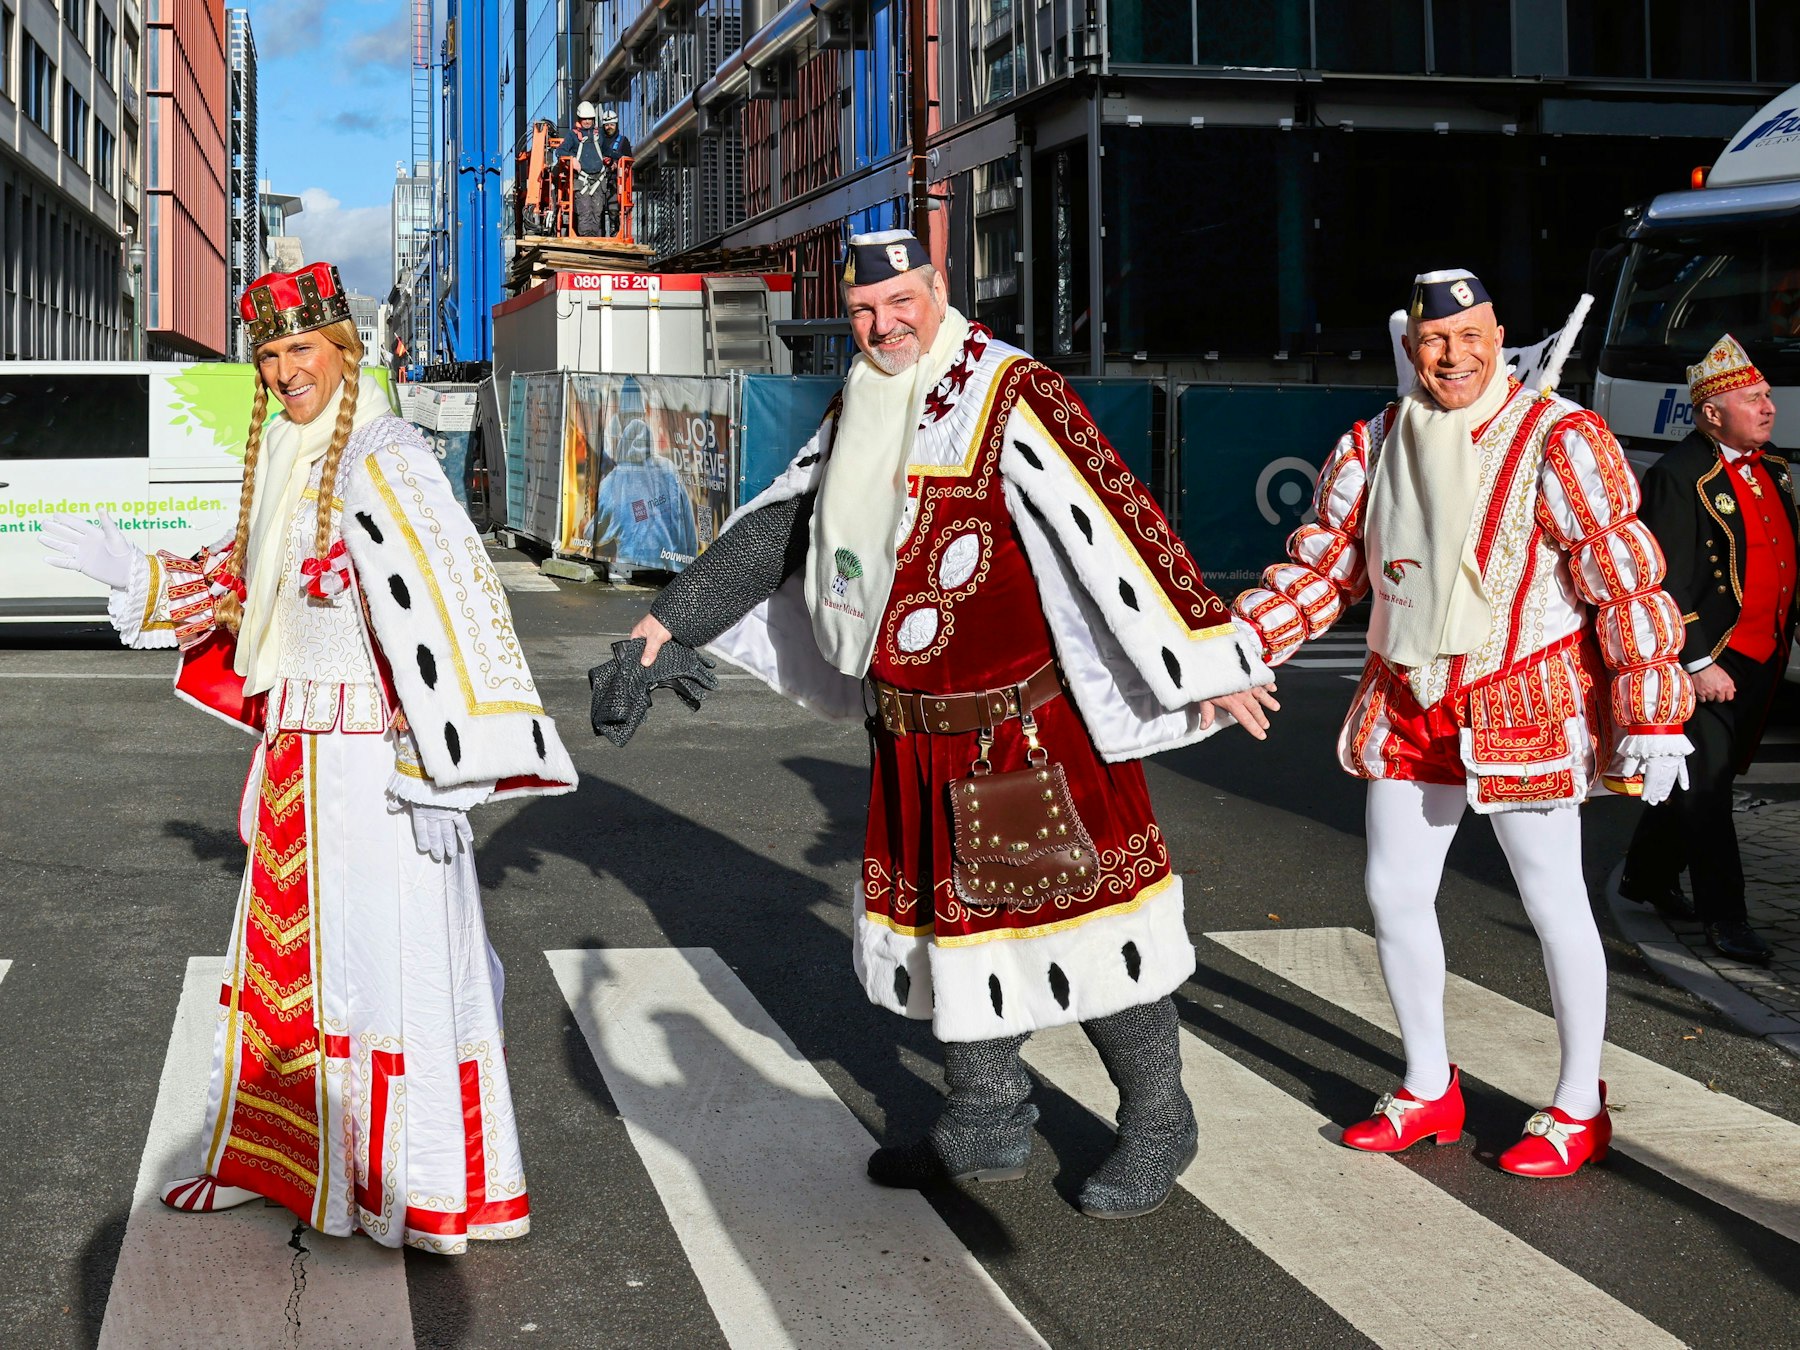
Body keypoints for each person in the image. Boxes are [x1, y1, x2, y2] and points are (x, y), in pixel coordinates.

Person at [590, 228, 1278, 1218]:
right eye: (865, 311)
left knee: (1086, 932)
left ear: (938, 289)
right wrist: (663, 627)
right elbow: (780, 531)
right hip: (912, 736)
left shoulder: (1008, 389)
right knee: (944, 931)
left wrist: (1207, 656)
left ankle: (1161, 1121)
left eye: (901, 301)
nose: (883, 324)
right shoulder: (860, 401)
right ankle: (986, 1117)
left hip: (1018, 735)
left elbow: (1118, 513)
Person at [42, 263, 579, 1252]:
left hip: (380, 768)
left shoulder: (387, 452)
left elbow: (454, 609)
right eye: (272, 353)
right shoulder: (287, 455)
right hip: (298, 759)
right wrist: (138, 575)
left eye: (303, 348)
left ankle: (409, 1186)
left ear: (343, 350)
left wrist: (436, 770)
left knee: (383, 970)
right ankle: (275, 1164)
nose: (287, 369)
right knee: (282, 966)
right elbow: (242, 588)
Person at [1234, 270, 1694, 1178]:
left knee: (1554, 900)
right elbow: (1325, 570)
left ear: (1497, 336)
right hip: (1408, 693)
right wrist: (1234, 648)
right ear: (1411, 348)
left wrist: (1651, 706)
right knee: (1393, 894)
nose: (1452, 355)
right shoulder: (1372, 442)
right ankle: (1427, 1085)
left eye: (1470, 336)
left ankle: (1576, 1104)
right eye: (1433, 341)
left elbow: (1622, 573)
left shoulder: (1562, 437)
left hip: (1520, 689)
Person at [1613, 335, 1794, 965]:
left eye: (1768, 395)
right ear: (1713, 412)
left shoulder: (1772, 468)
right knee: (1712, 790)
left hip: (1763, 654)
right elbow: (1664, 579)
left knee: (1703, 778)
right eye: (1753, 398)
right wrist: (1696, 660)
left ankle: (1644, 875)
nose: (1769, 407)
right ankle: (1727, 918)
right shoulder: (1678, 475)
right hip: (1713, 657)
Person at [558, 103, 631, 238]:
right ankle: (587, 240)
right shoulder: (573, 135)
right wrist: (572, 159)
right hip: (583, 181)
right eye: (584, 119)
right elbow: (560, 150)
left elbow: (606, 151)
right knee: (585, 211)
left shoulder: (598, 135)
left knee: (597, 211)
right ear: (579, 119)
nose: (587, 122)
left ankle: (595, 239)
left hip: (598, 180)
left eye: (590, 119)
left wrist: (620, 157)